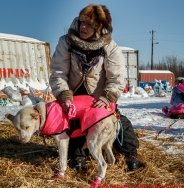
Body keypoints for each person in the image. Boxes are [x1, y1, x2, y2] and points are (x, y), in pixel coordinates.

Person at [49, 4, 140, 171]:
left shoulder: (109, 47)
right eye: (82, 22)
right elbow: (58, 73)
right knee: (73, 125)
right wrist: (63, 95)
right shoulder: (66, 42)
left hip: (98, 99)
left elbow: (116, 78)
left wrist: (107, 97)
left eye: (89, 24)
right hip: (73, 98)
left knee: (118, 124)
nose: (83, 27)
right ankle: (78, 155)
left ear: (99, 28)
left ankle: (131, 153)